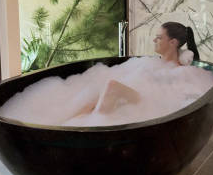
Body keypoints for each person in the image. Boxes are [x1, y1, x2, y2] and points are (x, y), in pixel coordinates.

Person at [71, 22, 200, 118]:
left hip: (154, 103)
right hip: (143, 94)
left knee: (112, 86)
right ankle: (71, 127)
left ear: (173, 42)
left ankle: (91, 131)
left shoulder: (179, 70)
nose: (154, 40)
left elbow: (177, 98)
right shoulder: (151, 62)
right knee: (97, 95)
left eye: (159, 37)